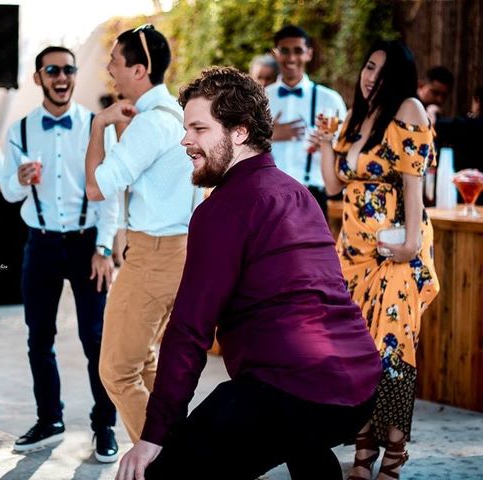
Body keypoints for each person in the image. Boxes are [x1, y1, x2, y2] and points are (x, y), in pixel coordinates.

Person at [116, 66, 381, 480]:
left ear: (239, 133)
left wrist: (154, 435)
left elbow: (189, 330)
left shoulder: (222, 210)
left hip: (295, 388)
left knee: (169, 473)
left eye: (199, 129)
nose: (185, 140)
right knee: (298, 435)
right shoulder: (299, 194)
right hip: (359, 384)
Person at [314, 40, 440, 479]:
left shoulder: (408, 109)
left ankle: (394, 454)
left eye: (382, 72)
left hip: (394, 255)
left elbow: (413, 187)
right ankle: (364, 450)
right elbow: (334, 187)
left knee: (392, 354)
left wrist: (406, 249)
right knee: (361, 357)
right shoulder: (357, 116)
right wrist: (328, 143)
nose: (371, 77)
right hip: (352, 256)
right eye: (369, 67)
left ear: (399, 80)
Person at [0, 45, 120, 462]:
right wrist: (18, 179)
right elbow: (9, 192)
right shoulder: (19, 131)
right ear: (38, 78)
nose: (62, 76)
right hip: (42, 243)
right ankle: (49, 419)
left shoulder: (95, 125)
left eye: (68, 69)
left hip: (88, 244)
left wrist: (105, 247)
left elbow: (109, 193)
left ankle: (104, 424)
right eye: (52, 69)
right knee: (39, 338)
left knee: (95, 339)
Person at [85, 24, 200, 444]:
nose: (109, 69)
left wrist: (99, 125)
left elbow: (97, 187)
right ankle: (182, 450)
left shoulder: (151, 123)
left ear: (138, 69)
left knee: (116, 370)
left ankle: (161, 463)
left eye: (114, 61)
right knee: (149, 363)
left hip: (153, 257)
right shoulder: (176, 113)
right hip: (178, 253)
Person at [265, 25, 347, 217]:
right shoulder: (261, 98)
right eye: (285, 51)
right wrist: (269, 133)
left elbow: (345, 147)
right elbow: (240, 143)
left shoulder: (329, 100)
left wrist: (328, 145)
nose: (291, 58)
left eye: (298, 51)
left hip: (313, 194)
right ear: (275, 54)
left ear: (309, 54)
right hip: (268, 194)